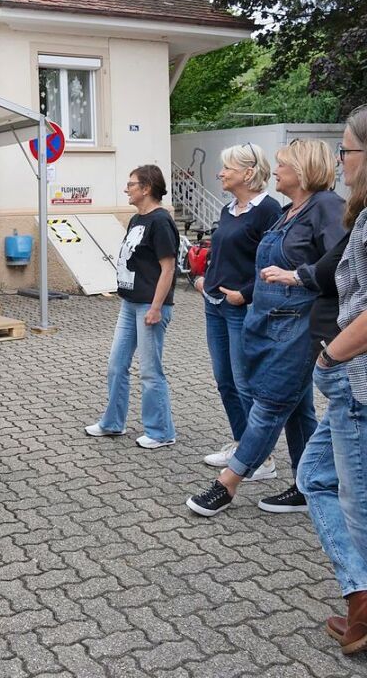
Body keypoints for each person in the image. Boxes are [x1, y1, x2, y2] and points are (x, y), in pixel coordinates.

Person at [188, 139, 345, 517]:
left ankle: (227, 484)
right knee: (297, 409)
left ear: (304, 169)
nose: (274, 171)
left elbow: (342, 263)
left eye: (282, 164)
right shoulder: (291, 210)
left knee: (270, 406)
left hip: (296, 329)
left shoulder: (326, 206)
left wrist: (298, 275)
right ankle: (310, 485)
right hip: (272, 325)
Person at [295, 105, 367, 655]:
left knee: (352, 497)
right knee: (316, 475)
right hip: (350, 380)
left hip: (354, 381)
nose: (341, 158)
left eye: (347, 149)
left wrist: (329, 358)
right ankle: (358, 594)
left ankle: (363, 605)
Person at [194, 144, 281, 477]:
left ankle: (263, 459)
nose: (220, 173)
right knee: (224, 381)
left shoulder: (268, 210)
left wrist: (244, 295)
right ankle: (242, 444)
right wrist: (204, 279)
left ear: (247, 172)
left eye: (226, 168)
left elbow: (274, 261)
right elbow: (223, 253)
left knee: (246, 383)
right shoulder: (229, 209)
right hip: (214, 304)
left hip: (239, 308)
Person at [85, 165, 179, 448]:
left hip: (150, 306)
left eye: (131, 184)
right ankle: (113, 423)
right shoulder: (137, 219)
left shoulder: (161, 221)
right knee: (116, 365)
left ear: (147, 188)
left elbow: (168, 267)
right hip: (130, 304)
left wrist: (156, 307)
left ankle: (161, 431)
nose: (127, 188)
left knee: (150, 371)